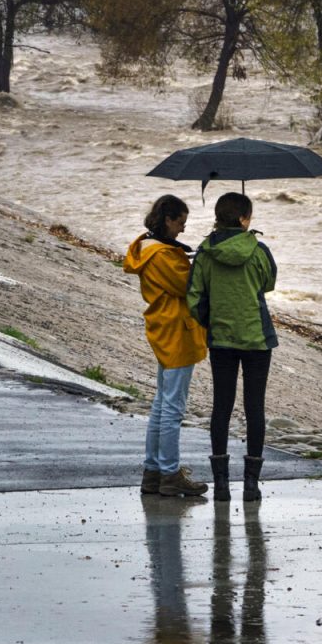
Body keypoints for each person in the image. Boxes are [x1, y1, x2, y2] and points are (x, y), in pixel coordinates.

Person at [187, 192, 277, 503]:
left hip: (221, 340)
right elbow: (268, 283)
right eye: (249, 215)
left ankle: (221, 484)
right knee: (255, 408)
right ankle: (251, 484)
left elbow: (194, 296)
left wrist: (211, 321)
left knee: (221, 407)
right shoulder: (259, 250)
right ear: (242, 219)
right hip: (257, 339)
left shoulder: (205, 252)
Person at [124, 194, 209, 497]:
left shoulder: (148, 247)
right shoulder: (163, 255)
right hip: (177, 331)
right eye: (181, 222)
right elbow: (189, 286)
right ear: (168, 219)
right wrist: (203, 262)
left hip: (164, 327)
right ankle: (170, 473)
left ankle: (153, 472)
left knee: (161, 405)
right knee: (172, 408)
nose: (183, 229)